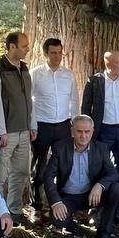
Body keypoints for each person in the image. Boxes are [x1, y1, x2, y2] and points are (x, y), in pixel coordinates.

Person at [44, 116, 119, 238]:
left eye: (87, 131)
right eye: (79, 131)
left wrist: (100, 185)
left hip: (92, 195)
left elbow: (113, 173)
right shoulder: (60, 148)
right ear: (72, 132)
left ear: (92, 131)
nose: (83, 136)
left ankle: (105, 232)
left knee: (116, 188)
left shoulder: (101, 148)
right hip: (69, 197)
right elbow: (48, 176)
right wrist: (56, 202)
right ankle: (77, 230)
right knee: (58, 218)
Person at [0, 32, 36, 225]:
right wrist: (1, 131)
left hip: (24, 131)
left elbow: (29, 100)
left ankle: (14, 210)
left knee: (21, 172)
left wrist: (32, 125)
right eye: (24, 45)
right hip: (6, 133)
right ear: (12, 47)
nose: (27, 48)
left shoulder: (24, 68)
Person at [30, 38, 79, 213]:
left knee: (64, 163)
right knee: (40, 164)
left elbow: (74, 99)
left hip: (63, 125)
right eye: (53, 53)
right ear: (45, 54)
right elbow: (29, 101)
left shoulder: (69, 74)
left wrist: (75, 123)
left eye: (59, 52)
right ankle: (36, 202)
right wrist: (32, 125)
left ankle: (62, 201)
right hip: (42, 125)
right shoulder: (35, 74)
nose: (57, 56)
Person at [81, 50, 119, 185]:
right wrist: (87, 131)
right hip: (103, 131)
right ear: (108, 64)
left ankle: (116, 201)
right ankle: (98, 201)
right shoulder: (94, 81)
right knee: (100, 167)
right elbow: (86, 108)